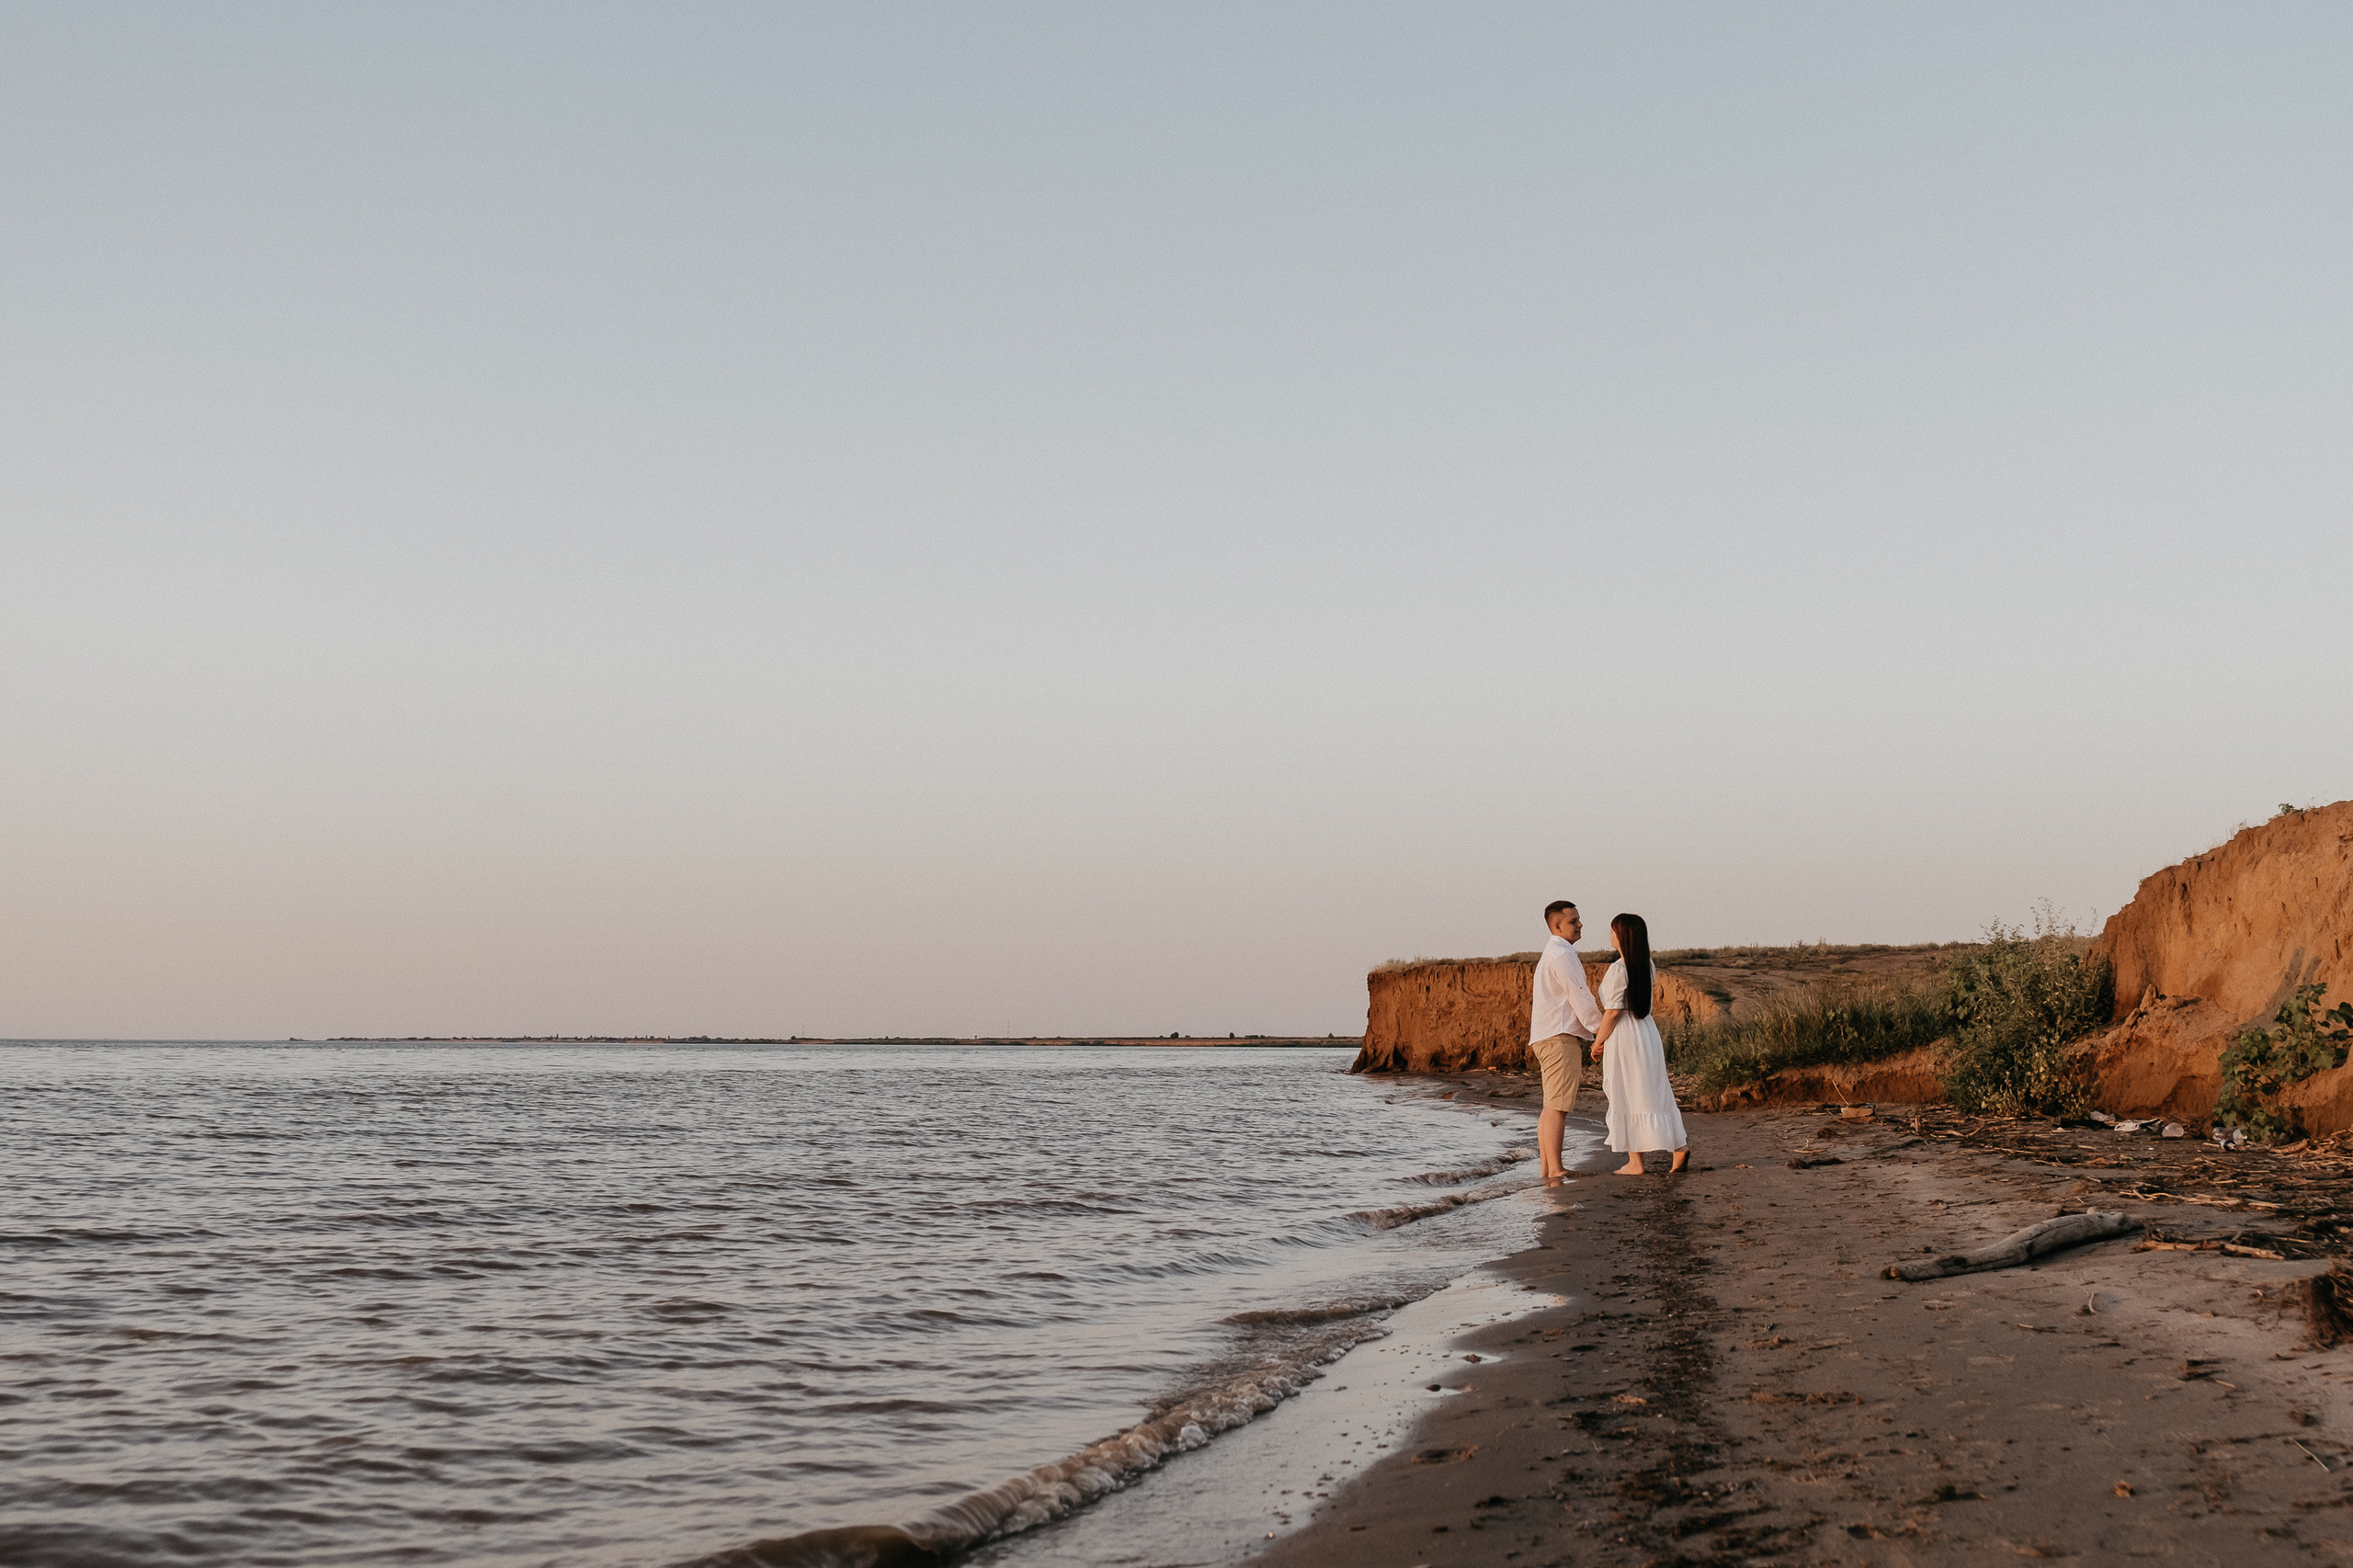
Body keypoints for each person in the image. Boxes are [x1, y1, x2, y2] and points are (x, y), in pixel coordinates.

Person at [1592, 912, 1688, 1175]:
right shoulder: (1646, 964)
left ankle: (1636, 1162)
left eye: (1613, 930)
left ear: (1623, 935)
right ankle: (1678, 1147)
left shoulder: (1618, 969)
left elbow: (1613, 1012)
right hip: (1646, 1032)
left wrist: (1597, 1042)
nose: (1609, 935)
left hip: (1625, 1036)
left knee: (1626, 1091)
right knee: (1654, 1090)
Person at [1529, 899, 1602, 1181]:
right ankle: (1555, 1168)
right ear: (1557, 925)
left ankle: (1548, 1169)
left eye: (1579, 919)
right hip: (1559, 1036)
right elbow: (1579, 995)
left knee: (1551, 1105)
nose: (1580, 924)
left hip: (1547, 1036)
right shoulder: (1562, 955)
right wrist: (1600, 1030)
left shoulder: (1553, 953)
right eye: (1573, 921)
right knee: (1558, 1105)